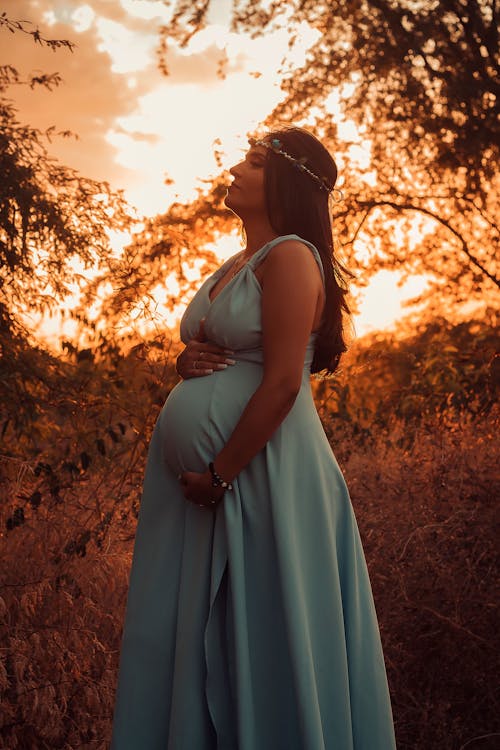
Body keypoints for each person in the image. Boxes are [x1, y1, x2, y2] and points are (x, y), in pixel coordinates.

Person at [110, 127, 397, 749]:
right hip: (204, 488)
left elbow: (283, 383)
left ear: (286, 183)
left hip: (259, 475)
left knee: (263, 628)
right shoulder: (237, 262)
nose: (235, 168)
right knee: (185, 632)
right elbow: (223, 354)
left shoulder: (292, 255)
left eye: (254, 162)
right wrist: (185, 364)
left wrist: (220, 474)